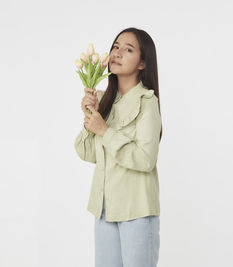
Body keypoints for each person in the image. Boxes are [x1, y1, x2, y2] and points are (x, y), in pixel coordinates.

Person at [74, 27, 163, 267]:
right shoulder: (106, 100)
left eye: (128, 49)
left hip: (137, 210)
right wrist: (90, 118)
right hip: (104, 209)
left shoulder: (147, 101)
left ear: (142, 63)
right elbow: (87, 152)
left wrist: (104, 130)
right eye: (115, 46)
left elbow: (146, 159)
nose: (117, 52)